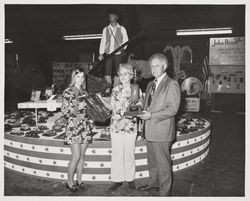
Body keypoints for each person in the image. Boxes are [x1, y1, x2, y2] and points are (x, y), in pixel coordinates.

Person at [138, 53, 181, 196]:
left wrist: (151, 115)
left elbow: (172, 109)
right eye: (151, 66)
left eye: (157, 65)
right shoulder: (151, 83)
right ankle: (154, 184)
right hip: (149, 130)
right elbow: (148, 105)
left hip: (162, 131)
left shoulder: (172, 84)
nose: (154, 69)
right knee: (152, 162)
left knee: (163, 165)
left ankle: (164, 193)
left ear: (165, 66)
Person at [98, 64, 139, 191]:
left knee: (129, 153)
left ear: (131, 75)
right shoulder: (115, 89)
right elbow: (111, 107)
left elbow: (138, 109)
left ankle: (130, 179)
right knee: (117, 154)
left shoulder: (135, 89)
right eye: (121, 74)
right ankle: (117, 179)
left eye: (126, 73)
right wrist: (100, 99)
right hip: (115, 126)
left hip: (129, 125)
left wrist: (127, 113)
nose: (123, 76)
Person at [61, 67, 93, 192]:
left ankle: (79, 181)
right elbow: (65, 111)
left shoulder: (84, 91)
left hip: (85, 126)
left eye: (82, 77)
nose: (80, 79)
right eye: (78, 76)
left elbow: (88, 110)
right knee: (76, 156)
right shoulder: (68, 91)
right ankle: (69, 182)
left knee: (82, 156)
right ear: (73, 77)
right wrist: (77, 107)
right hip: (74, 126)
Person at [98, 9, 129, 88]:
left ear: (116, 17)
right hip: (108, 53)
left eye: (112, 15)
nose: (110, 17)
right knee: (107, 72)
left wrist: (122, 48)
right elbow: (103, 41)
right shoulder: (105, 29)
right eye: (109, 16)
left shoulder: (122, 28)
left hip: (118, 53)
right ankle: (108, 88)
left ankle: (116, 88)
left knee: (117, 71)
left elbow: (126, 40)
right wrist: (101, 53)